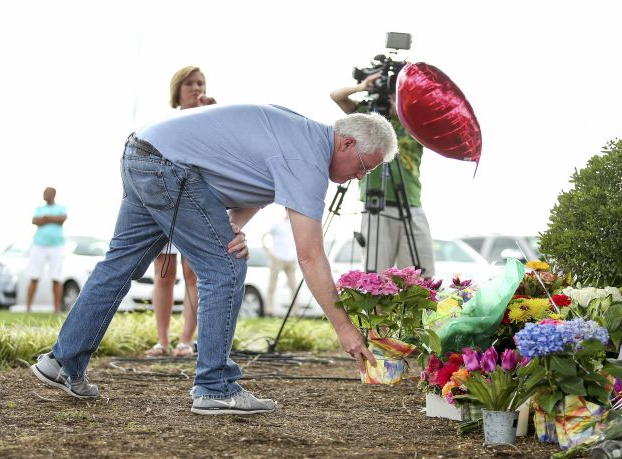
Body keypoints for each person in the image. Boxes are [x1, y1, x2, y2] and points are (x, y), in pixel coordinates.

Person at [30, 104, 397, 416]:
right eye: (364, 166)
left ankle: (62, 362)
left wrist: (234, 224)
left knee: (118, 265)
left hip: (142, 153)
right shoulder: (309, 158)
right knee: (226, 265)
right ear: (347, 143)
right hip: (170, 167)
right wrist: (345, 330)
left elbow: (257, 178)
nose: (360, 177)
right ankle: (215, 387)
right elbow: (310, 255)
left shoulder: (301, 135)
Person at [330, 73, 436, 278]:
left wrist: (407, 112)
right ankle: (378, 310)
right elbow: (336, 96)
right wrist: (361, 87)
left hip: (411, 203)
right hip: (377, 203)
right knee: (377, 276)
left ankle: (411, 309)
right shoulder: (370, 119)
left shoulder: (416, 121)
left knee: (418, 275)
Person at [145, 66, 217, 358]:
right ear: (178, 88)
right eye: (189, 83)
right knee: (163, 274)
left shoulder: (211, 117)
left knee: (192, 275)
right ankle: (162, 341)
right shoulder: (165, 121)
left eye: (200, 83)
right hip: (164, 202)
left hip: (195, 202)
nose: (196, 88)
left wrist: (213, 115)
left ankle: (186, 340)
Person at [26, 187, 67, 313]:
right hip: (39, 245)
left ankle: (57, 309)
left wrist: (45, 218)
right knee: (34, 275)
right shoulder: (39, 209)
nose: (44, 195)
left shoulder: (61, 208)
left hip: (56, 246)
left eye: (46, 193)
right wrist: (51, 219)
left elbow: (62, 219)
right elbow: (35, 220)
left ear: (53, 194)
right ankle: (28, 307)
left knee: (56, 277)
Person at [262, 209, 298, 316]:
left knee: (294, 287)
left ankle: (295, 311)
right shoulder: (277, 225)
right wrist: (269, 253)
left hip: (291, 259)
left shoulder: (294, 226)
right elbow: (263, 236)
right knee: (272, 285)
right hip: (278, 259)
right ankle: (269, 310)